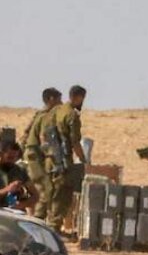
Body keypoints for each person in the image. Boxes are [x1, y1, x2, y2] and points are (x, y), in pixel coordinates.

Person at [23, 88, 65, 224]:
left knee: (43, 189)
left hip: (33, 155)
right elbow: (44, 140)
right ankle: (36, 223)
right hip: (34, 156)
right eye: (59, 99)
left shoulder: (40, 114)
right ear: (51, 99)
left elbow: (26, 133)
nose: (62, 102)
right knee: (46, 189)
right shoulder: (47, 116)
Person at [60, 85, 88, 232]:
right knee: (67, 192)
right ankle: (65, 226)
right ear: (78, 97)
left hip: (50, 158)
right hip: (63, 159)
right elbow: (75, 141)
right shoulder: (72, 115)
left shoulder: (59, 110)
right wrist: (84, 159)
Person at [0, 139, 33, 211]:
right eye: (9, 158)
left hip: (13, 212)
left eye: (15, 158)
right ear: (1, 154)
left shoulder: (19, 171)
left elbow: (35, 195)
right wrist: (7, 189)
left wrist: (20, 205)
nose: (12, 161)